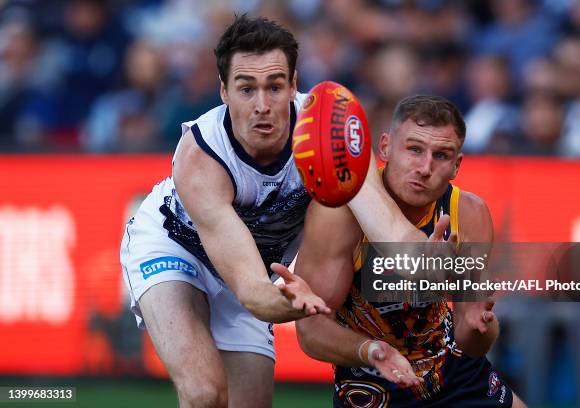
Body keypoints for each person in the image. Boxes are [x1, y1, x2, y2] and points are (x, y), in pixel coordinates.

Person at [120, 15, 435, 408]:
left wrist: (426, 257)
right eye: (246, 89)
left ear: (294, 86)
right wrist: (292, 302)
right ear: (223, 92)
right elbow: (253, 293)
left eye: (274, 86)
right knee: (205, 393)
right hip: (174, 250)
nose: (262, 106)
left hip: (255, 269)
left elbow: (384, 220)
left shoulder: (329, 129)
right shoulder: (202, 158)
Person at [291, 95, 527, 407]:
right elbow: (311, 331)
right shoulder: (339, 215)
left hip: (455, 374)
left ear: (457, 165)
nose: (425, 167)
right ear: (385, 147)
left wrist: (481, 325)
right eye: (414, 149)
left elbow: (471, 342)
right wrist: (373, 351)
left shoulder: (467, 213)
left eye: (441, 155)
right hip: (373, 384)